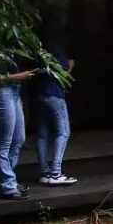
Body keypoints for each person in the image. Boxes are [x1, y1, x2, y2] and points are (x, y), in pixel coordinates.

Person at [0, 59, 38, 200]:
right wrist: (18, 77)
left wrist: (18, 95)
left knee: (19, 139)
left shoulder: (12, 46)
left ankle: (3, 183)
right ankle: (8, 185)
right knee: (5, 142)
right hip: (1, 90)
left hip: (14, 90)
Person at [34, 17, 78, 185]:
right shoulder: (57, 50)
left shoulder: (38, 48)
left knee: (42, 134)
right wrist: (71, 65)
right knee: (63, 132)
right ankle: (55, 173)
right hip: (54, 94)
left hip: (39, 94)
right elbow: (62, 75)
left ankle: (44, 172)